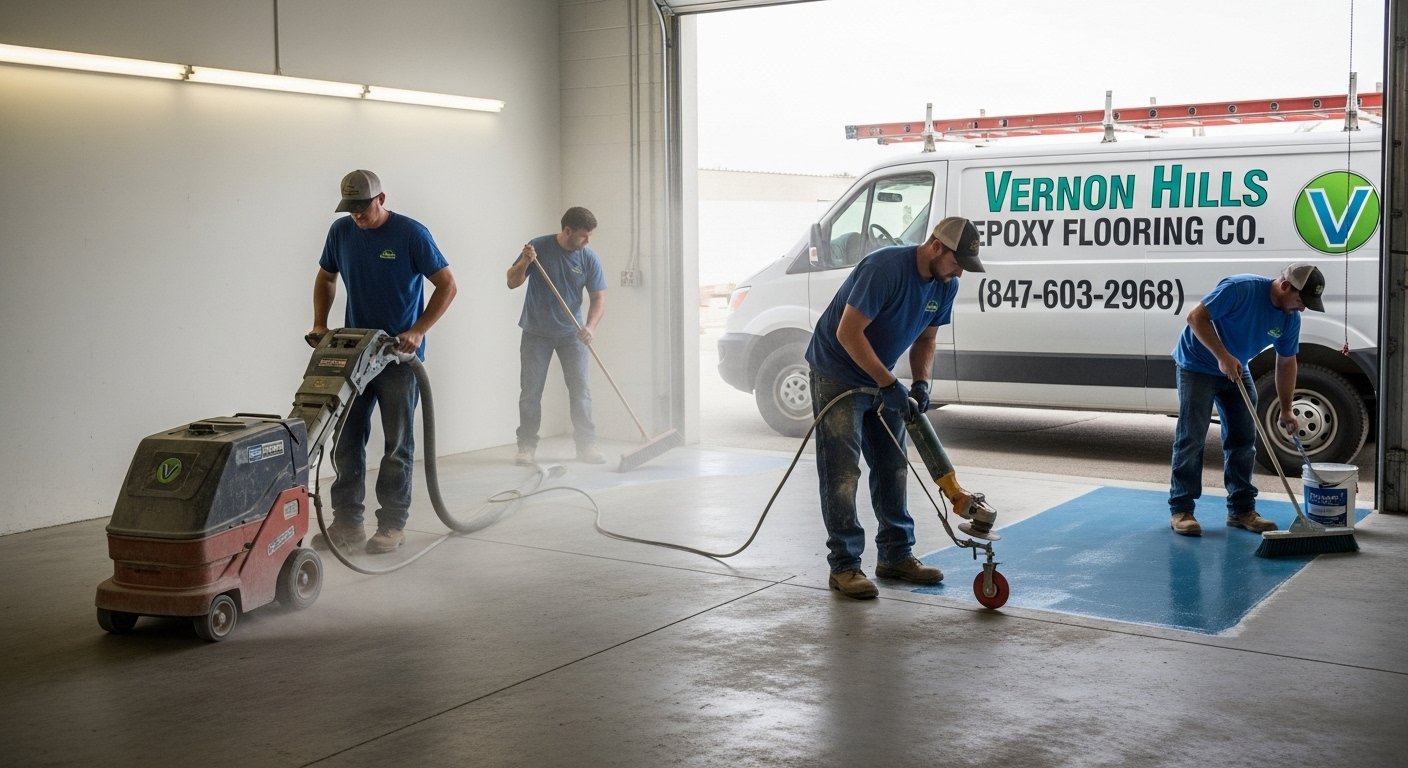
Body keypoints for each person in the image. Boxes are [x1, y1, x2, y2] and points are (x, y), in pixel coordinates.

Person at [805, 217, 987, 599]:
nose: (960, 273)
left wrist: (921, 382)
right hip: (837, 372)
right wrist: (887, 383)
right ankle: (844, 566)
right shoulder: (884, 268)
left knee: (892, 466)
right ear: (936, 246)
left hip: (879, 376)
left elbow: (927, 338)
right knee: (842, 473)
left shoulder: (946, 284)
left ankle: (895, 555)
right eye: (957, 262)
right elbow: (847, 332)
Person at [309, 169, 458, 554]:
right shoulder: (341, 233)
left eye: (364, 207)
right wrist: (320, 323)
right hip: (355, 355)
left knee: (397, 445)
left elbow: (447, 285)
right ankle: (347, 523)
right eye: (351, 209)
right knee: (345, 441)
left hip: (397, 358)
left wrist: (419, 330)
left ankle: (392, 525)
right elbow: (326, 276)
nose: (358, 215)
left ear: (382, 199)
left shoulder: (411, 234)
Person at [1167, 263, 1325, 536]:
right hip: (1197, 364)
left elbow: (1286, 363)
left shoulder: (1289, 319)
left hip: (1236, 367)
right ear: (1285, 286)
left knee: (1244, 438)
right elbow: (1195, 318)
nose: (1302, 308)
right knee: (1191, 436)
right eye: (1301, 300)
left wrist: (1286, 410)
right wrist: (1222, 356)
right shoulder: (1240, 289)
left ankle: (1241, 510)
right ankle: (1182, 509)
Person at [506, 207, 607, 465]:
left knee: (580, 390)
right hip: (535, 333)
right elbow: (512, 281)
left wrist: (591, 327)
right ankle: (526, 446)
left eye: (589, 236)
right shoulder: (537, 248)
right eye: (583, 236)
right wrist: (525, 261)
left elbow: (598, 299)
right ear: (567, 231)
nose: (587, 241)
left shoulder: (588, 258)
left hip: (572, 335)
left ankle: (586, 445)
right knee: (531, 392)